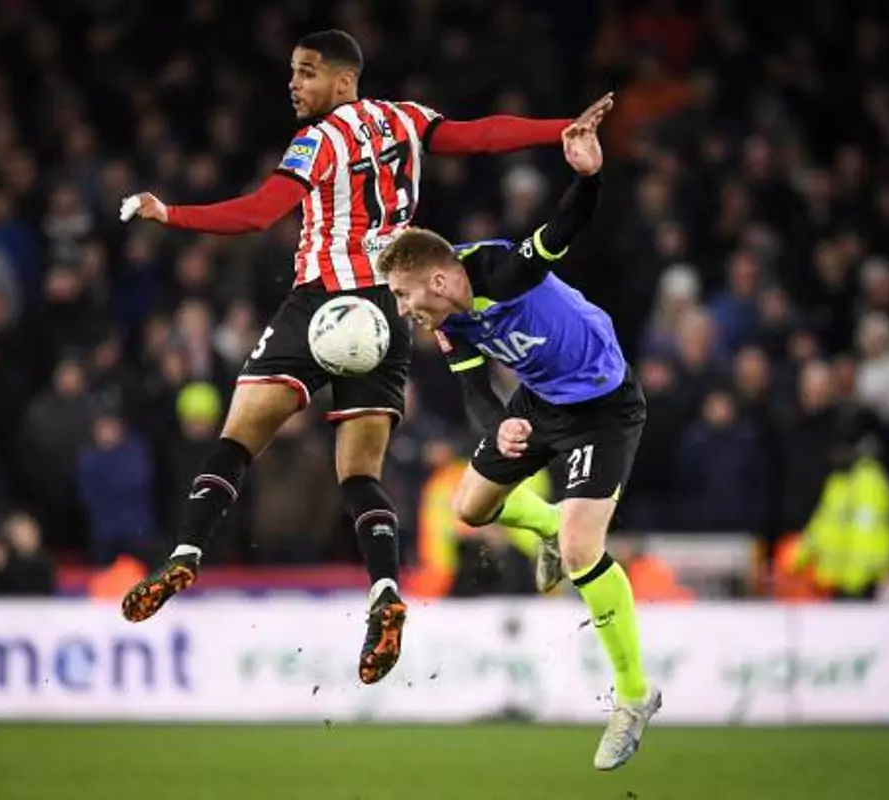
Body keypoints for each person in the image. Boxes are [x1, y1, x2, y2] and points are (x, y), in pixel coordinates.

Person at [119, 29, 598, 685]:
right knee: (358, 475)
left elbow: (260, 214)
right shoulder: (405, 118)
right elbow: (478, 134)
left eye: (308, 73)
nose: (295, 84)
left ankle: (185, 551)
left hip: (319, 303)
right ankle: (384, 591)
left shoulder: (319, 140)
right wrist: (558, 130)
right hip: (388, 309)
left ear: (343, 82)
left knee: (237, 438)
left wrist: (169, 213)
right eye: (292, 72)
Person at [377, 96, 661, 770]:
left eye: (407, 295)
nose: (405, 309)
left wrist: (588, 175)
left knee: (581, 542)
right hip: (541, 401)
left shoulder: (503, 272)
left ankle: (633, 695)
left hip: (604, 404)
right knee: (468, 507)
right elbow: (476, 388)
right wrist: (499, 425)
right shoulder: (451, 322)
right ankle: (550, 530)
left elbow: (566, 225)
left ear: (441, 278)